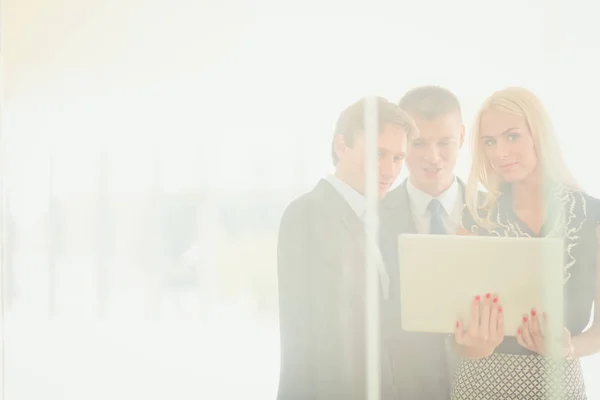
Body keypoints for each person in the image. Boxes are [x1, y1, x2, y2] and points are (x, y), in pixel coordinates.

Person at [451, 86, 600, 399]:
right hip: (483, 386)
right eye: (489, 142)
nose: (499, 152)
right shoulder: (474, 217)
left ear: (539, 134)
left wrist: (569, 347)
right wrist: (472, 347)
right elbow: (455, 326)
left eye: (512, 136)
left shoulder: (593, 217)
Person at [276, 97, 417, 399]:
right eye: (379, 154)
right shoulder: (310, 213)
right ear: (342, 146)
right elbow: (321, 341)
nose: (390, 170)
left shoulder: (375, 220)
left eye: (398, 158)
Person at [379, 85, 467, 398]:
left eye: (445, 142)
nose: (433, 157)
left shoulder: (495, 214)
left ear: (463, 137)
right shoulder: (370, 219)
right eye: (419, 143)